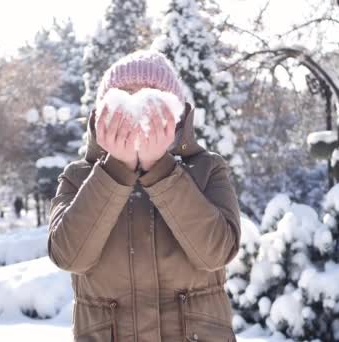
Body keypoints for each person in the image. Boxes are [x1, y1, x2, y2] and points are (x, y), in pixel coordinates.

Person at [47, 50, 240, 341]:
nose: (137, 107)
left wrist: (159, 168)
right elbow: (69, 256)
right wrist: (114, 170)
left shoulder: (207, 169)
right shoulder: (78, 177)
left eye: (151, 95)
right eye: (125, 95)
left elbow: (216, 253)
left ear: (175, 109)